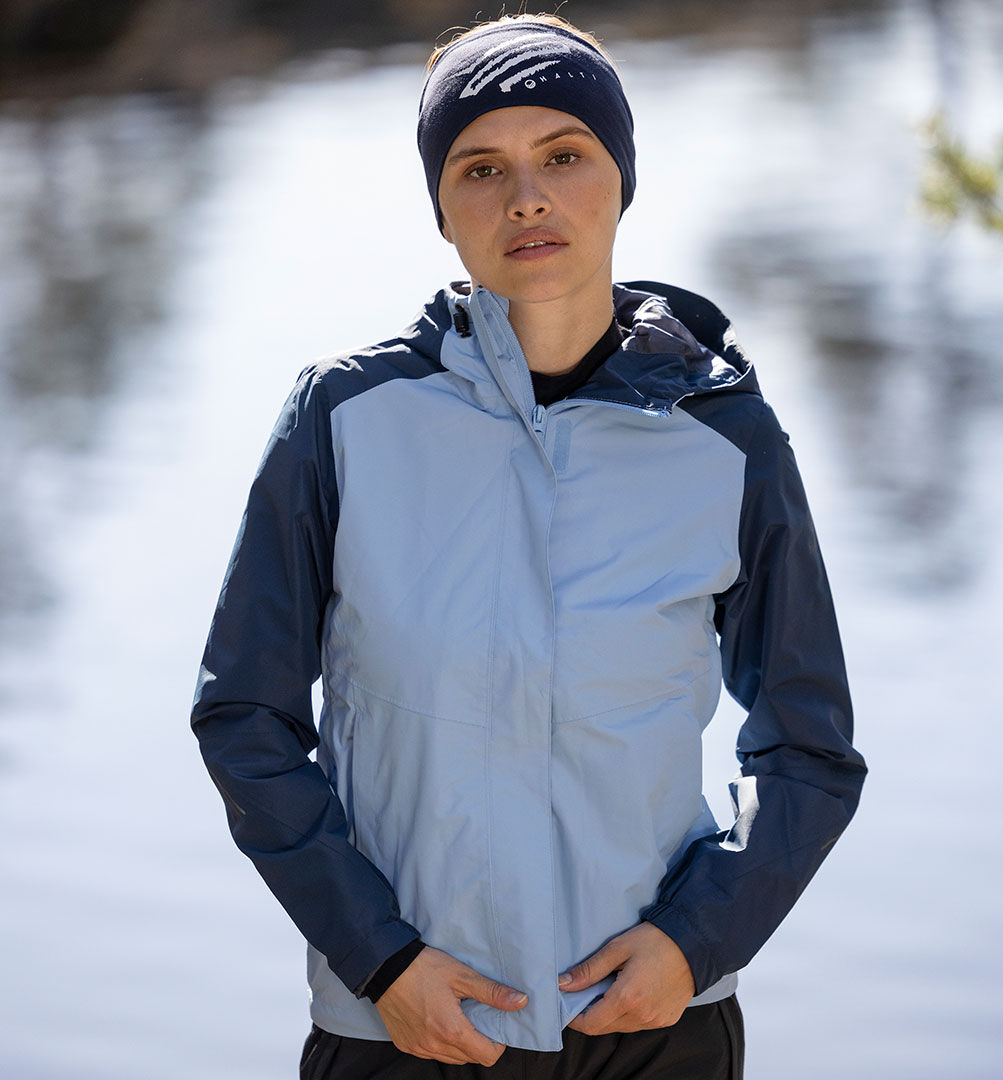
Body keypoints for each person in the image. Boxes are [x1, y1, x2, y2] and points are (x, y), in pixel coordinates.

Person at [191, 13, 867, 1079]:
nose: (527, 198)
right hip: (403, 1028)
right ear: (442, 209)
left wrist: (699, 941)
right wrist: (380, 960)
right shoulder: (343, 417)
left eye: (564, 155)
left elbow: (809, 745)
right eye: (480, 169)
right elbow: (245, 719)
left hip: (653, 1027)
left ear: (620, 178)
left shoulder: (725, 436)